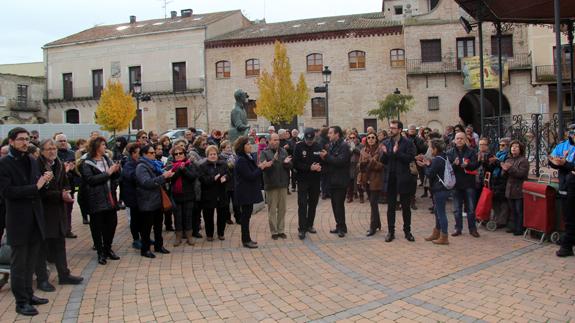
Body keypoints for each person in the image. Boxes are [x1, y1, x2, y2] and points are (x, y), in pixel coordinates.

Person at [0, 127, 51, 316]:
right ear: (11, 141)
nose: (25, 142)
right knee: (19, 264)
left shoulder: (31, 160)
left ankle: (29, 294)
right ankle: (20, 302)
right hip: (18, 220)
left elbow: (39, 189)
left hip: (35, 218)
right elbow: (7, 193)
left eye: (27, 139)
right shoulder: (4, 164)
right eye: (21, 139)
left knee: (32, 261)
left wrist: (45, 181)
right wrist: (34, 187)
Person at [35, 139, 83, 292]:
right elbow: (39, 191)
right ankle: (42, 279)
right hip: (44, 212)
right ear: (42, 151)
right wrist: (59, 195)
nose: (52, 151)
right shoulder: (37, 165)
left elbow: (66, 183)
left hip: (58, 210)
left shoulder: (59, 164)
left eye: (54, 148)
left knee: (60, 244)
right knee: (43, 248)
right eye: (49, 149)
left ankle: (64, 274)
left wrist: (67, 192)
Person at [80, 136, 121, 265]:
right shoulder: (87, 163)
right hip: (95, 200)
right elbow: (90, 180)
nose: (105, 147)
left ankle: (108, 248)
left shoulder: (107, 159)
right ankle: (100, 252)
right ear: (96, 147)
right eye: (103, 145)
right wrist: (108, 173)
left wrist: (116, 171)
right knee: (97, 227)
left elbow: (114, 177)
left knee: (112, 224)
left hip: (110, 198)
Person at [380, 120, 417, 242]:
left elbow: (411, 158)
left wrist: (398, 152)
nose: (391, 130)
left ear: (400, 130)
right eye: (390, 128)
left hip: (404, 179)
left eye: (394, 128)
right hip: (390, 179)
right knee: (391, 207)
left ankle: (407, 231)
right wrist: (385, 154)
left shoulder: (408, 143)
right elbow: (383, 161)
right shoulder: (386, 142)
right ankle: (391, 232)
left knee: (406, 207)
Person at [135, 145, 174, 258]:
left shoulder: (154, 165)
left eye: (154, 152)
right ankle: (145, 249)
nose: (154, 154)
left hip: (157, 200)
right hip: (147, 200)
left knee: (158, 225)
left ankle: (158, 245)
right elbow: (147, 183)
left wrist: (167, 175)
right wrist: (163, 176)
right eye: (151, 153)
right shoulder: (141, 167)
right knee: (146, 227)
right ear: (144, 154)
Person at [233, 136, 267, 248]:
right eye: (247, 144)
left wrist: (258, 167)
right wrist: (260, 168)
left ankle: (247, 239)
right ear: (242, 147)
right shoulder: (241, 159)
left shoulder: (246, 157)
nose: (250, 146)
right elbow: (250, 176)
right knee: (245, 217)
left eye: (249, 144)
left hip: (248, 191)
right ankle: (245, 240)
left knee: (247, 216)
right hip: (244, 192)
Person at [447, 132, 480, 238]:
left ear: (465, 140)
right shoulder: (450, 152)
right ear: (454, 140)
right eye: (457, 138)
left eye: (461, 138)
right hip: (456, 184)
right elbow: (447, 169)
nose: (459, 140)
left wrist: (468, 165)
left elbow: (475, 165)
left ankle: (472, 229)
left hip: (469, 184)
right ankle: (458, 228)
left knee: (470, 209)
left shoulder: (471, 152)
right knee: (457, 209)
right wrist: (454, 165)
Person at [320, 126, 351, 238]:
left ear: (337, 134)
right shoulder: (332, 145)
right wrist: (323, 158)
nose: (328, 135)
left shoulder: (344, 146)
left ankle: (342, 228)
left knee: (339, 205)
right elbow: (330, 161)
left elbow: (340, 161)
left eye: (331, 133)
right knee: (334, 205)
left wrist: (327, 156)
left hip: (340, 180)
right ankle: (339, 225)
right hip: (332, 180)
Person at [260, 133, 292, 240]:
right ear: (269, 141)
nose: (276, 141)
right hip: (271, 185)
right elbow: (264, 168)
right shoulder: (264, 153)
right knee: (272, 210)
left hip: (283, 184)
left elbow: (289, 166)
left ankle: (281, 230)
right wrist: (273, 161)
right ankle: (274, 232)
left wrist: (287, 163)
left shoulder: (283, 151)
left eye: (277, 139)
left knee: (282, 209)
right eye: (274, 140)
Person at [549, 123, 575, 257]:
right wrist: (556, 162)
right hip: (566, 184)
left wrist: (566, 164)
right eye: (571, 132)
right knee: (568, 216)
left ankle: (567, 244)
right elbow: (552, 160)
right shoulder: (563, 145)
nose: (572, 134)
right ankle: (568, 243)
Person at [293, 128, 322, 240]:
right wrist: (309, 168)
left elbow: (322, 161)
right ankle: (302, 228)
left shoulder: (318, 146)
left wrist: (320, 167)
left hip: (315, 180)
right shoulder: (299, 146)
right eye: (307, 139)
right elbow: (296, 164)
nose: (309, 141)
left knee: (313, 203)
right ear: (304, 137)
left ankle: (310, 225)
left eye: (311, 139)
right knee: (302, 204)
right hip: (303, 180)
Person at [421, 138, 451, 245]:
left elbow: (429, 174)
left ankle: (444, 236)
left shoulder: (437, 159)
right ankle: (437, 233)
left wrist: (425, 166)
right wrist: (429, 165)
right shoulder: (443, 156)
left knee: (441, 213)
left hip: (439, 189)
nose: (430, 149)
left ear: (435, 148)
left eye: (430, 147)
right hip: (441, 188)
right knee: (438, 212)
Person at [169, 145, 199, 246]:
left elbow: (192, 177)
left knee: (188, 216)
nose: (178, 155)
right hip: (176, 196)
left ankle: (189, 236)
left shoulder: (190, 164)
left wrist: (184, 169)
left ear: (184, 154)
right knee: (178, 217)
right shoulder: (171, 166)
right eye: (176, 154)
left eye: (180, 153)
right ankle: (178, 237)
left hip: (188, 195)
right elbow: (170, 179)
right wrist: (179, 170)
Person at [199, 145, 229, 241]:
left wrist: (226, 178)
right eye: (211, 154)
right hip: (208, 194)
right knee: (208, 216)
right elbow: (202, 179)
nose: (213, 156)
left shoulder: (223, 164)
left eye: (214, 154)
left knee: (222, 215)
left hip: (221, 193)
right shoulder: (203, 166)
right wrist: (213, 178)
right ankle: (209, 235)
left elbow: (229, 174)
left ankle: (221, 233)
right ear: (207, 155)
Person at [358, 133, 384, 236]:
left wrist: (370, 161)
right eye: (369, 138)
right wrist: (362, 164)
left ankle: (372, 227)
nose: (371, 139)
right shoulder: (363, 151)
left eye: (373, 137)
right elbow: (359, 165)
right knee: (373, 204)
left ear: (376, 139)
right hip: (366, 179)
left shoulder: (381, 150)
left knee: (373, 203)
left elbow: (381, 166)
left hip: (376, 180)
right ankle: (377, 223)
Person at [501, 140, 529, 236]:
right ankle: (513, 226)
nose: (514, 148)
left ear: (520, 149)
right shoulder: (508, 159)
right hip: (510, 188)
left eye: (516, 146)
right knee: (512, 209)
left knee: (519, 210)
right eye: (512, 146)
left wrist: (510, 168)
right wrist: (504, 170)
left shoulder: (523, 160)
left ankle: (520, 228)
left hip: (519, 188)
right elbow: (504, 175)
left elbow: (521, 174)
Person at [55, 133, 78, 239]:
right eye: (60, 141)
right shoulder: (54, 154)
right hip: (58, 186)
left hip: (70, 184)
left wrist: (73, 169)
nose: (63, 143)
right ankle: (60, 230)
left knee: (68, 209)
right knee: (59, 210)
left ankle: (68, 229)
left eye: (64, 140)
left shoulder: (72, 153)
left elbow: (77, 170)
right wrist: (65, 169)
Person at [120, 143, 142, 250]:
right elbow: (133, 177)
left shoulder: (139, 163)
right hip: (132, 196)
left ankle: (143, 237)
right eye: (139, 153)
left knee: (142, 218)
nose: (141, 155)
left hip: (140, 196)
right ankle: (136, 239)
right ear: (133, 154)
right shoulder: (129, 165)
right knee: (135, 219)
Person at [220, 140, 241, 225]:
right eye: (227, 147)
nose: (229, 149)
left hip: (234, 182)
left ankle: (238, 218)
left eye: (230, 147)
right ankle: (227, 218)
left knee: (236, 203)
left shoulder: (234, 157)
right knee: (226, 203)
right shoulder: (220, 157)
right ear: (223, 149)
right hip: (225, 183)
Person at [346, 132, 363, 203]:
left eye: (354, 138)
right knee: (350, 182)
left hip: (358, 165)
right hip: (350, 165)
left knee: (359, 182)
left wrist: (354, 148)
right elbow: (346, 155)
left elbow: (362, 153)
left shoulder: (361, 145)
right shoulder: (346, 145)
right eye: (351, 138)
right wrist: (350, 149)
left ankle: (361, 196)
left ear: (356, 138)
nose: (352, 139)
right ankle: (350, 197)